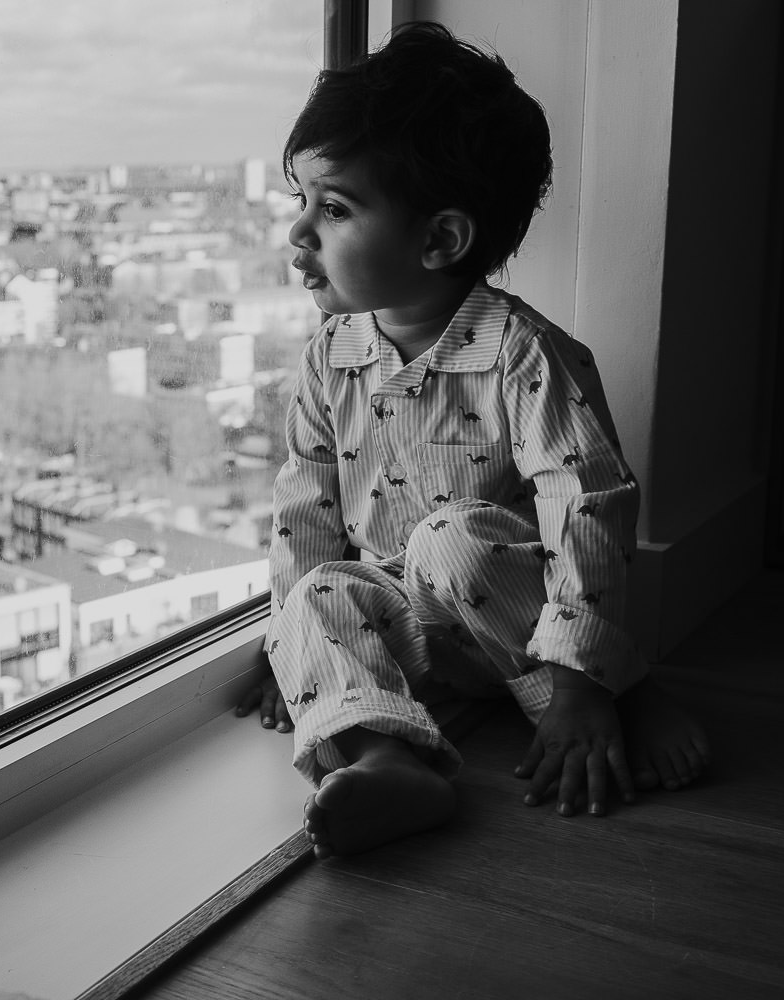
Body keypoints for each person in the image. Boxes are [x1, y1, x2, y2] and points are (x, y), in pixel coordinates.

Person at [235, 22, 710, 860]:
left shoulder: (521, 356)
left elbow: (587, 504)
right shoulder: (330, 357)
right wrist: (296, 648)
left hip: (512, 615)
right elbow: (303, 505)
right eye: (298, 201)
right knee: (315, 594)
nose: (299, 233)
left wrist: (580, 680)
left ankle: (614, 691)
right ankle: (384, 754)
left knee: (451, 541)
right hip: (408, 632)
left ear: (441, 239)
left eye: (335, 207)